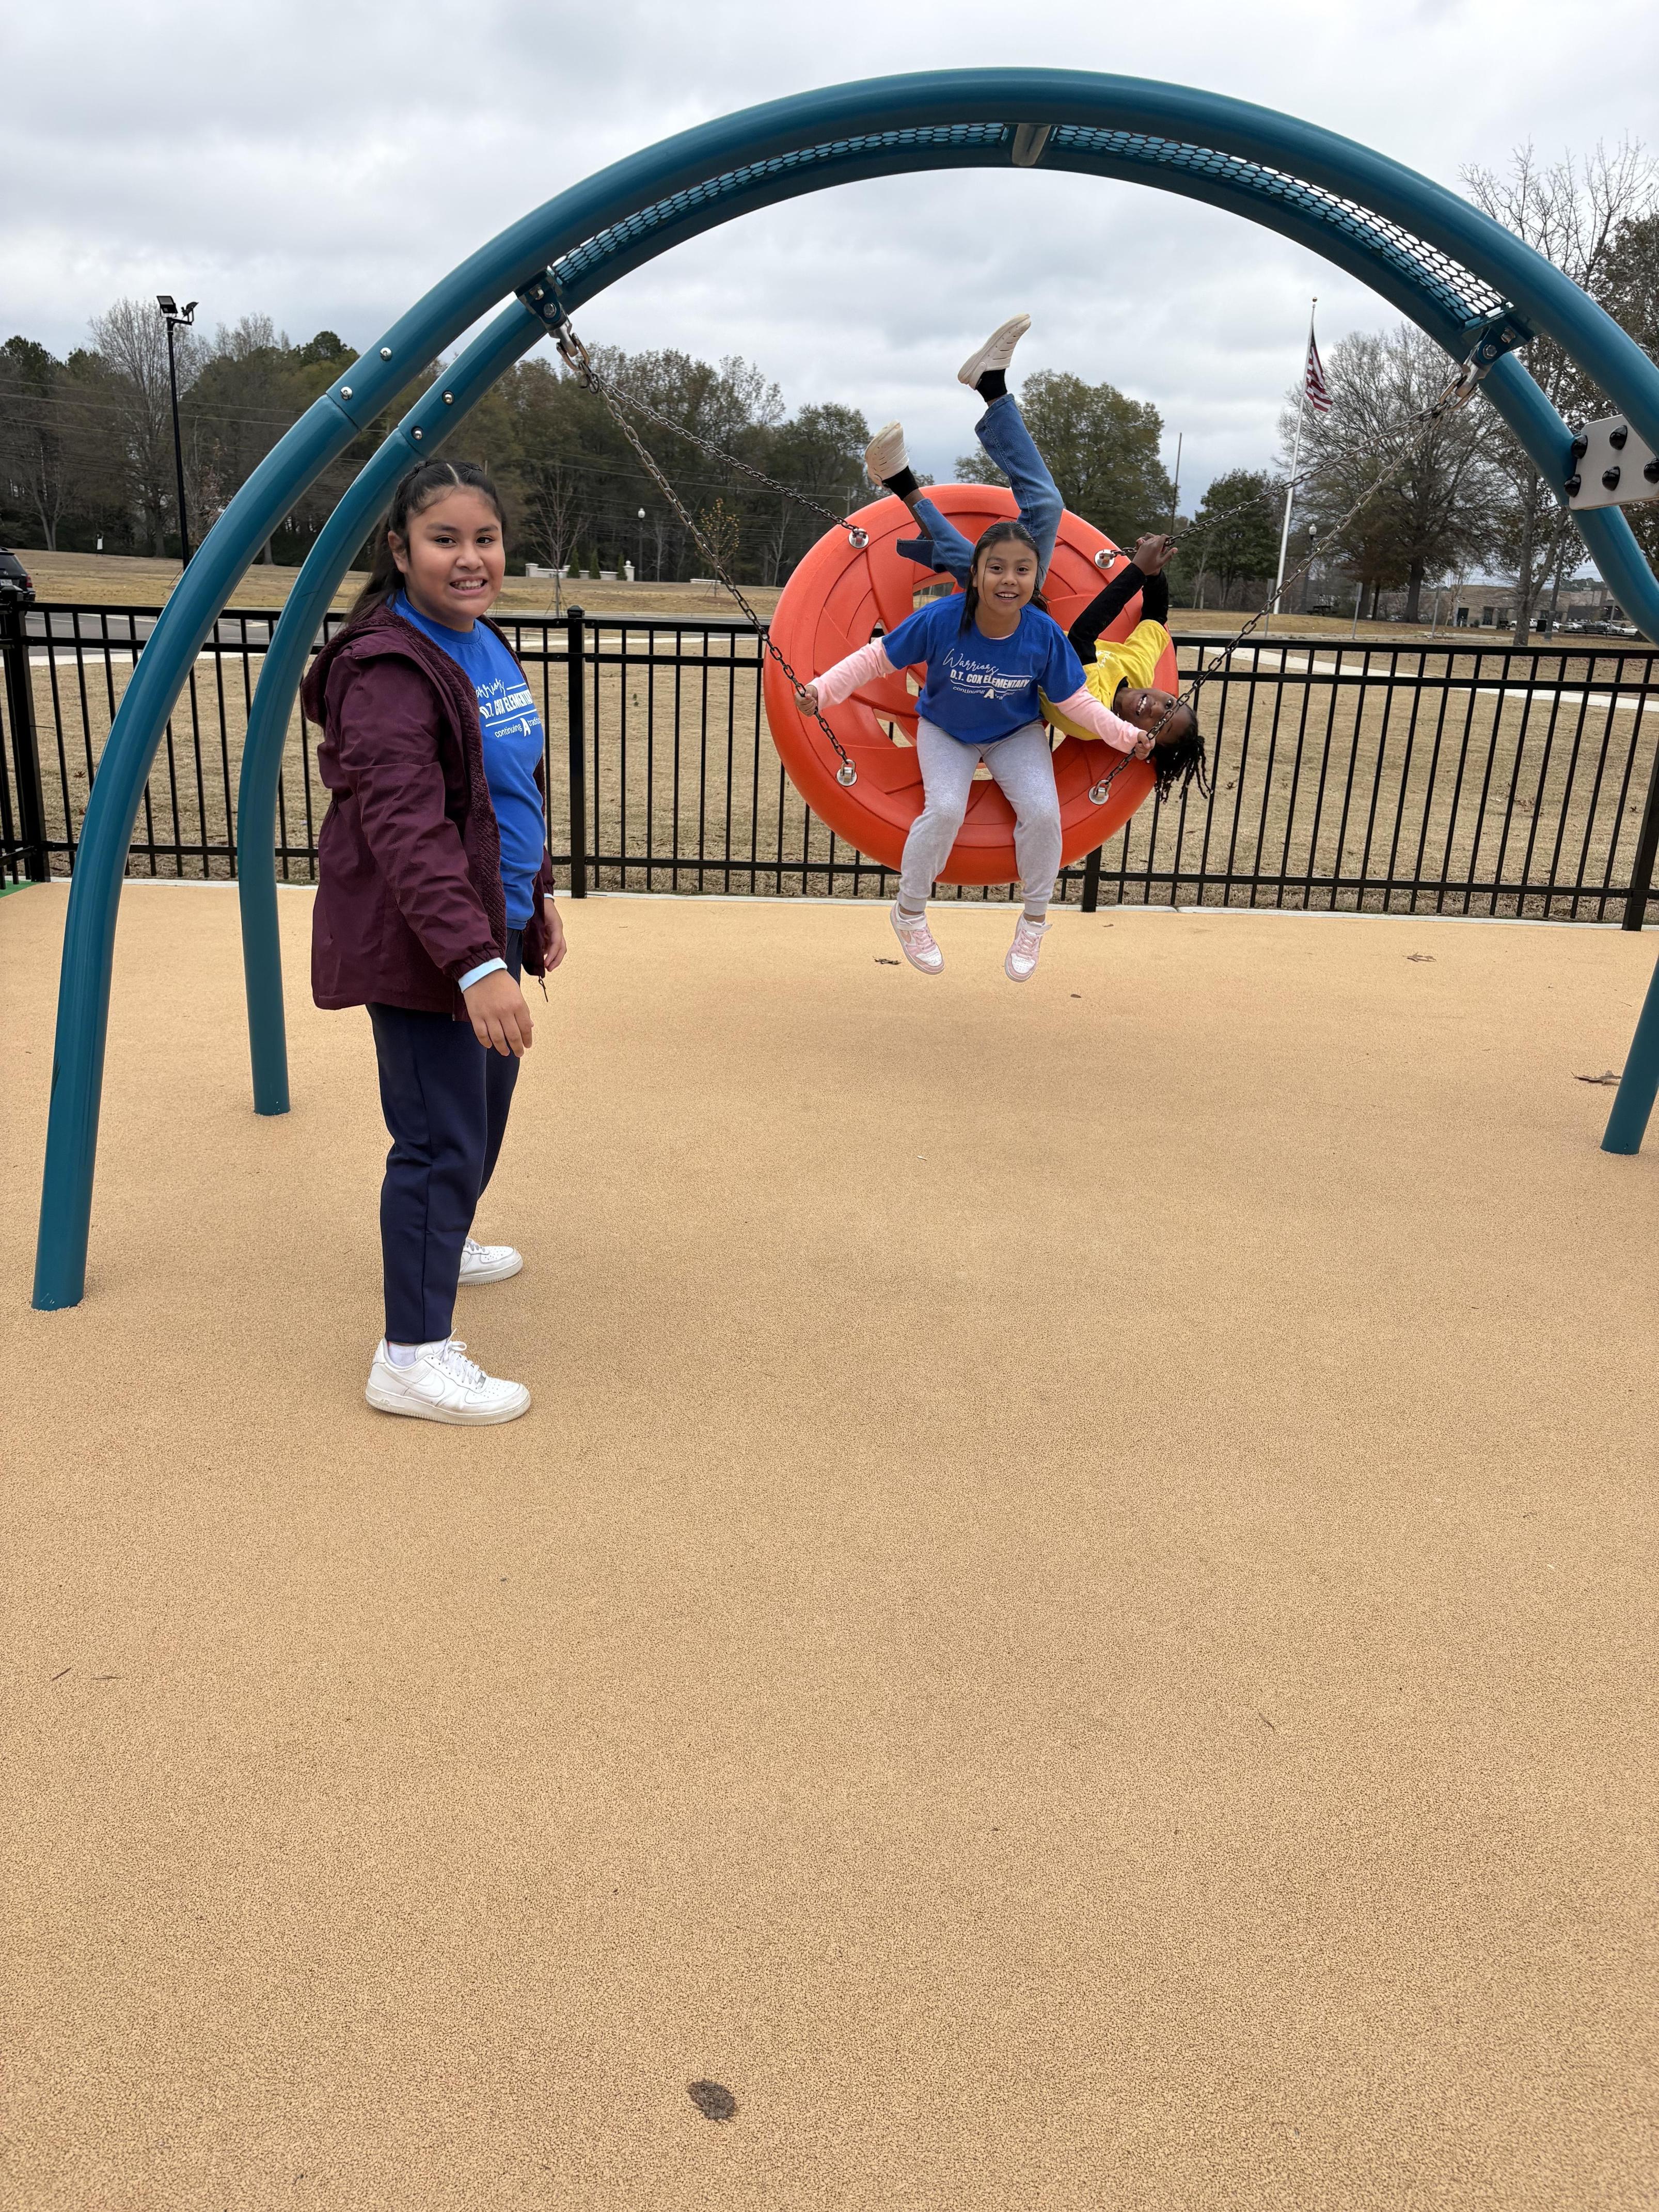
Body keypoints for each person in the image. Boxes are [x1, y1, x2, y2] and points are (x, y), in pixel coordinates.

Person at [303, 457, 567, 1425]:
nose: (469, 558)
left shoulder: (480, 639)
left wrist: (534, 900)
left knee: (481, 1114)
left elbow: (512, 787)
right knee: (437, 1137)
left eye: (484, 539)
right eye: (444, 539)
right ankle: (410, 1356)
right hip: (425, 941)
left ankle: (440, 1241)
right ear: (400, 550)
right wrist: (475, 963)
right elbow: (407, 831)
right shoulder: (388, 669)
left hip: (486, 920)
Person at [867, 314, 1208, 803]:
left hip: (1011, 637)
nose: (1154, 708)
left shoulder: (1092, 716)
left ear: (1142, 741)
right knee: (990, 553)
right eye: (1169, 704)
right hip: (1026, 608)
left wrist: (1138, 569)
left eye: (1157, 725)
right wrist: (1155, 572)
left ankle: (971, 409)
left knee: (1029, 524)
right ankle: (908, 474)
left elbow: (1083, 636)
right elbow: (1155, 618)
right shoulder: (1138, 669)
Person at [796, 515, 1150, 982]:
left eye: (1022, 570)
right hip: (946, 731)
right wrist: (821, 691)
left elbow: (1075, 701)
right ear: (976, 573)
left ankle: (1033, 923)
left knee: (1043, 813)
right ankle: (908, 913)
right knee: (944, 809)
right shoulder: (941, 619)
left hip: (1014, 734)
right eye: (996, 568)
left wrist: (1126, 736)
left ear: (1036, 577)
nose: (1009, 580)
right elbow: (875, 658)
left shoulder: (1042, 633)